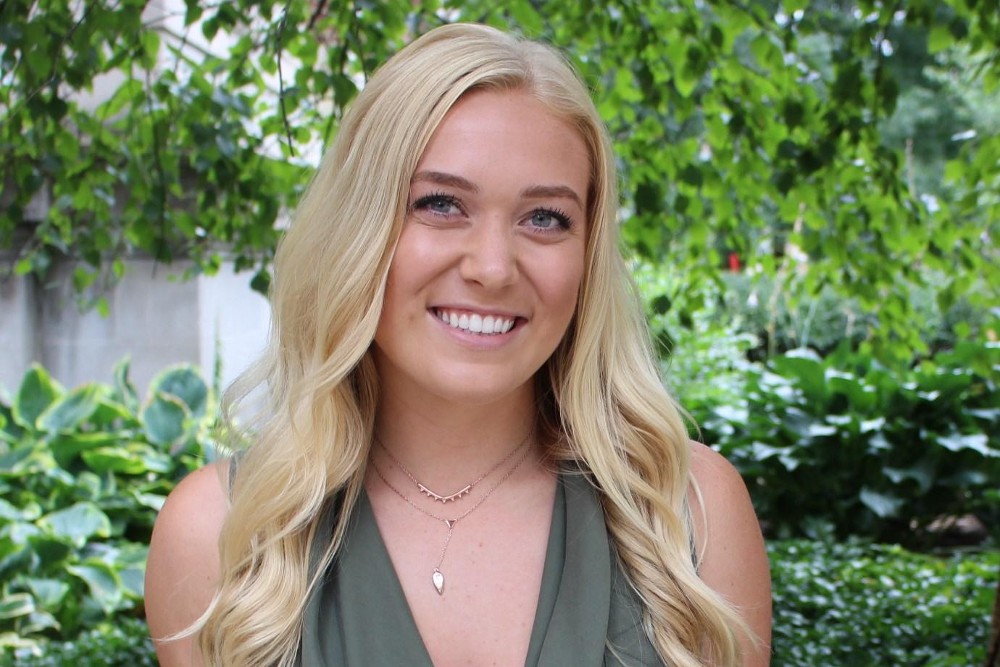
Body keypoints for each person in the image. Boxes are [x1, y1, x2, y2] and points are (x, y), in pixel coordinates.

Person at [145, 22, 771, 667]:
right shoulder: (221, 533)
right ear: (358, 229)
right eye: (442, 204)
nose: (494, 267)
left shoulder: (687, 515)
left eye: (545, 218)